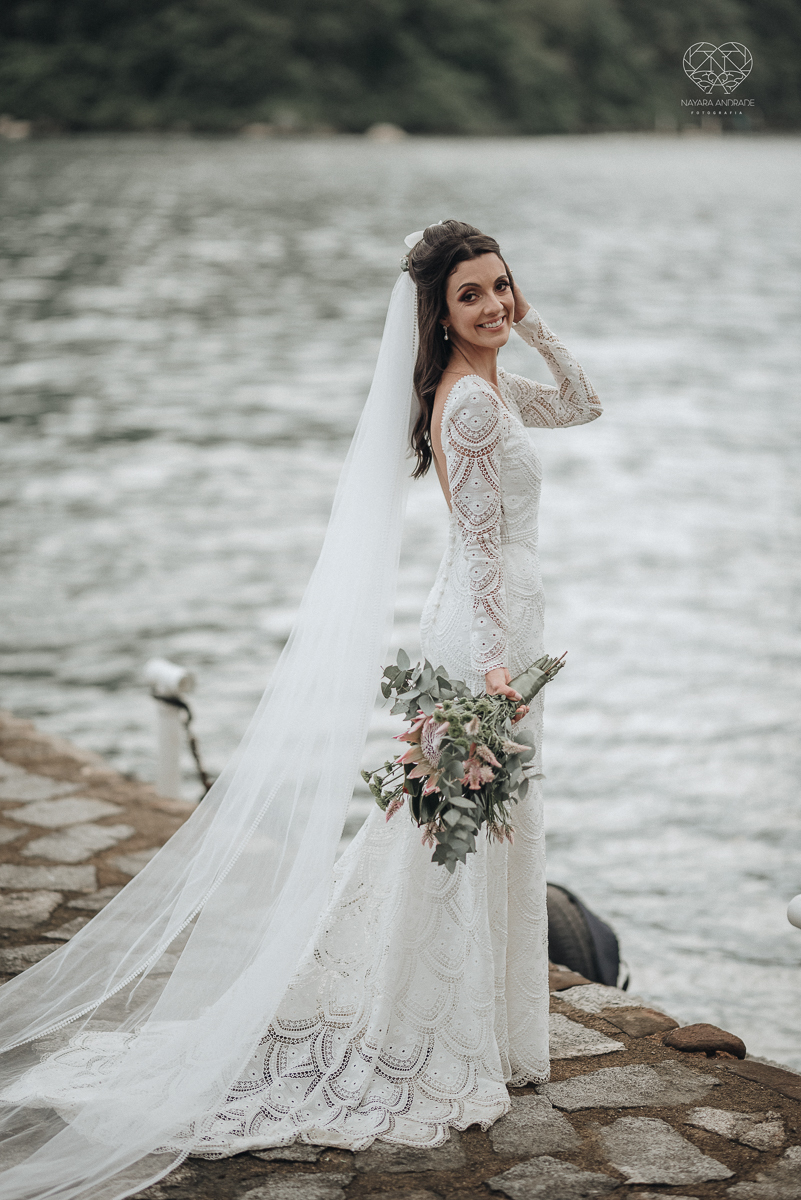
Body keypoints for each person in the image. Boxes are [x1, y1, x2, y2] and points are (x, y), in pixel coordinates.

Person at [0, 221, 600, 1197]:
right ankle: (432, 1024)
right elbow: (484, 551)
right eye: (472, 296)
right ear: (438, 316)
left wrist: (532, 326)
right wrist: (496, 679)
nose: (493, 304)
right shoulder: (468, 407)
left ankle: (466, 1017)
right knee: (450, 831)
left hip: (498, 628)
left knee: (462, 828)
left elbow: (582, 403)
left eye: (502, 286)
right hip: (484, 638)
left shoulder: (488, 385)